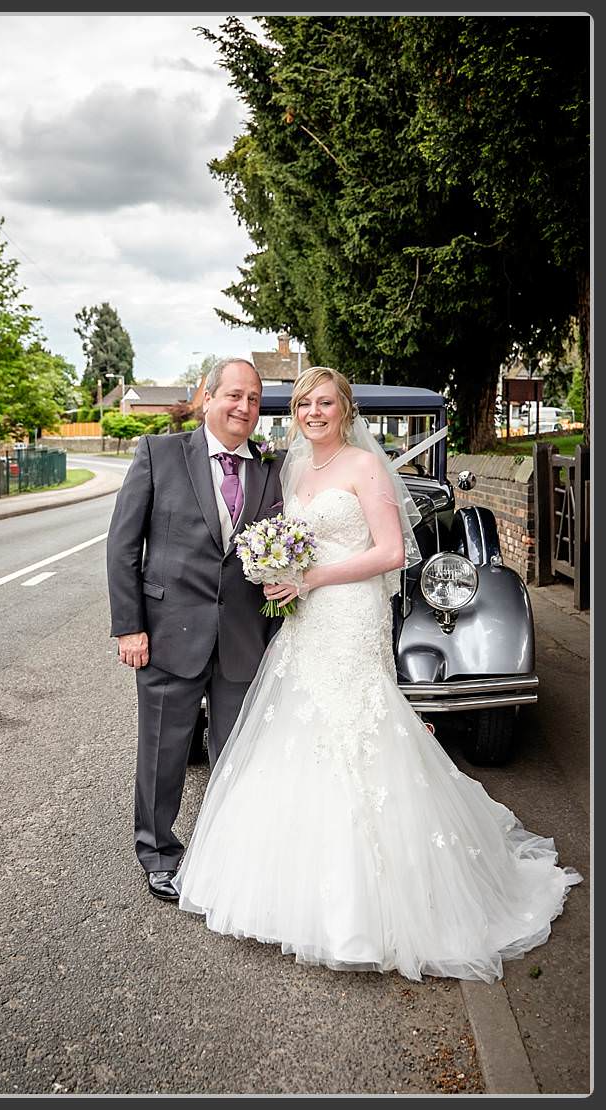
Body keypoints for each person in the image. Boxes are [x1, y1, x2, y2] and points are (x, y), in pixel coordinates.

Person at [175, 366, 578, 980]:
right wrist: (278, 574)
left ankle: (381, 899)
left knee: (361, 725)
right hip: (306, 618)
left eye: (325, 403)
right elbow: (289, 538)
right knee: (299, 729)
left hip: (352, 612)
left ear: (345, 410)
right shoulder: (294, 469)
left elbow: (391, 553)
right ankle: (294, 884)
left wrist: (309, 577)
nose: (313, 413)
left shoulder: (365, 468)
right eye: (304, 404)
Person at [104, 358, 282, 902]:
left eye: (253, 399)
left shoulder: (271, 470)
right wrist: (129, 627)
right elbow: (122, 545)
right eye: (233, 395)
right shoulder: (159, 454)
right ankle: (158, 851)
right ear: (208, 397)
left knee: (235, 754)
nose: (243, 407)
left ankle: (225, 849)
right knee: (164, 750)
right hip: (166, 634)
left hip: (242, 640)